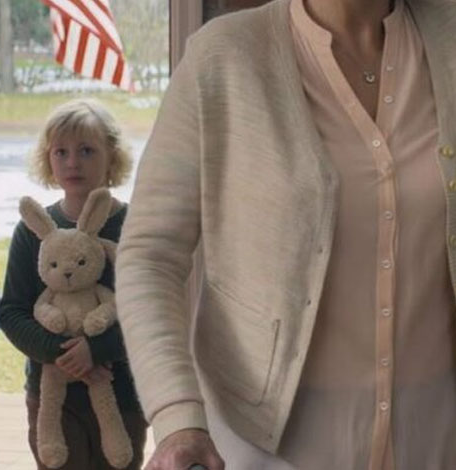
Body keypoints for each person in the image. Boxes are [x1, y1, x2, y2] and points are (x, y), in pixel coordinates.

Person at [116, 0, 456, 469]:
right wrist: (176, 415)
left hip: (437, 430)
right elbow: (150, 255)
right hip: (264, 443)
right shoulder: (224, 56)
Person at [0, 98, 148, 470]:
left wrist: (96, 350)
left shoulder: (134, 227)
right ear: (47, 158)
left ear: (111, 156)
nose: (72, 162)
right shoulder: (32, 231)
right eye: (61, 152)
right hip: (52, 399)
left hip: (123, 393)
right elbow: (13, 312)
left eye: (86, 151)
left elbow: (148, 311)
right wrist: (63, 355)